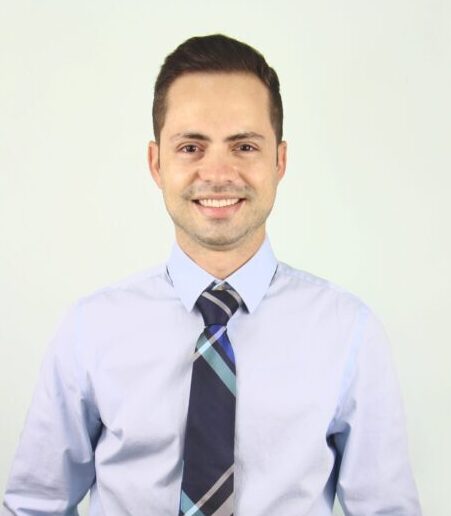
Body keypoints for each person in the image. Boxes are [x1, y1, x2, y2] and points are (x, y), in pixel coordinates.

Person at [3, 34, 421, 516]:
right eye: (191, 147)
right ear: (156, 163)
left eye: (244, 145)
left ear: (279, 161)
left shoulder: (350, 333)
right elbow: (36, 505)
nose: (218, 172)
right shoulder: (89, 329)